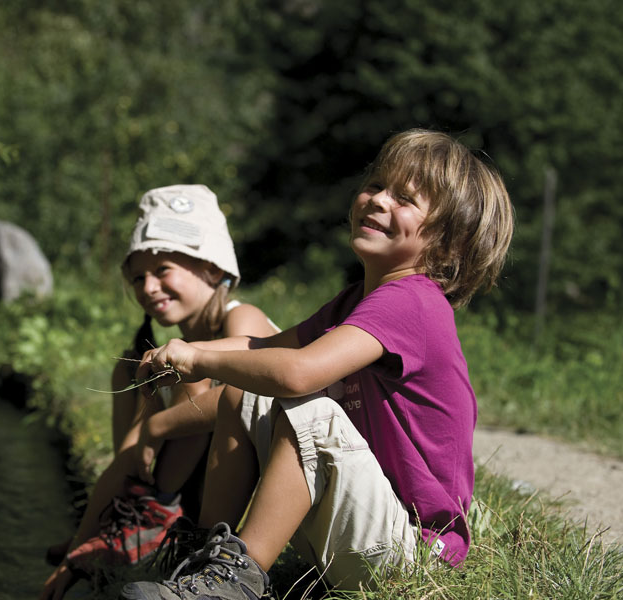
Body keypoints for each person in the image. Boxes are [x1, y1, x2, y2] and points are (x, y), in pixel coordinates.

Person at [121, 129, 515, 599]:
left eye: (404, 197)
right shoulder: (356, 300)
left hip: (412, 556)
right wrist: (184, 354)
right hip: (357, 525)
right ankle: (206, 561)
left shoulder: (413, 302)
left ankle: (235, 585)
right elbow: (263, 346)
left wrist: (200, 356)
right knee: (241, 393)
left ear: (446, 244)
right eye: (376, 184)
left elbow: (297, 372)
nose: (377, 200)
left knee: (310, 408)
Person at [39, 184, 278, 600]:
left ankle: (170, 530)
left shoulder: (244, 319)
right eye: (137, 277)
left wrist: (160, 425)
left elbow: (249, 395)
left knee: (195, 383)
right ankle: (136, 521)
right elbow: (128, 458)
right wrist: (80, 543)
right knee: (130, 369)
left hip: (267, 474)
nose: (148, 287)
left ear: (211, 268)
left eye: (163, 270)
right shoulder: (157, 356)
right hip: (190, 481)